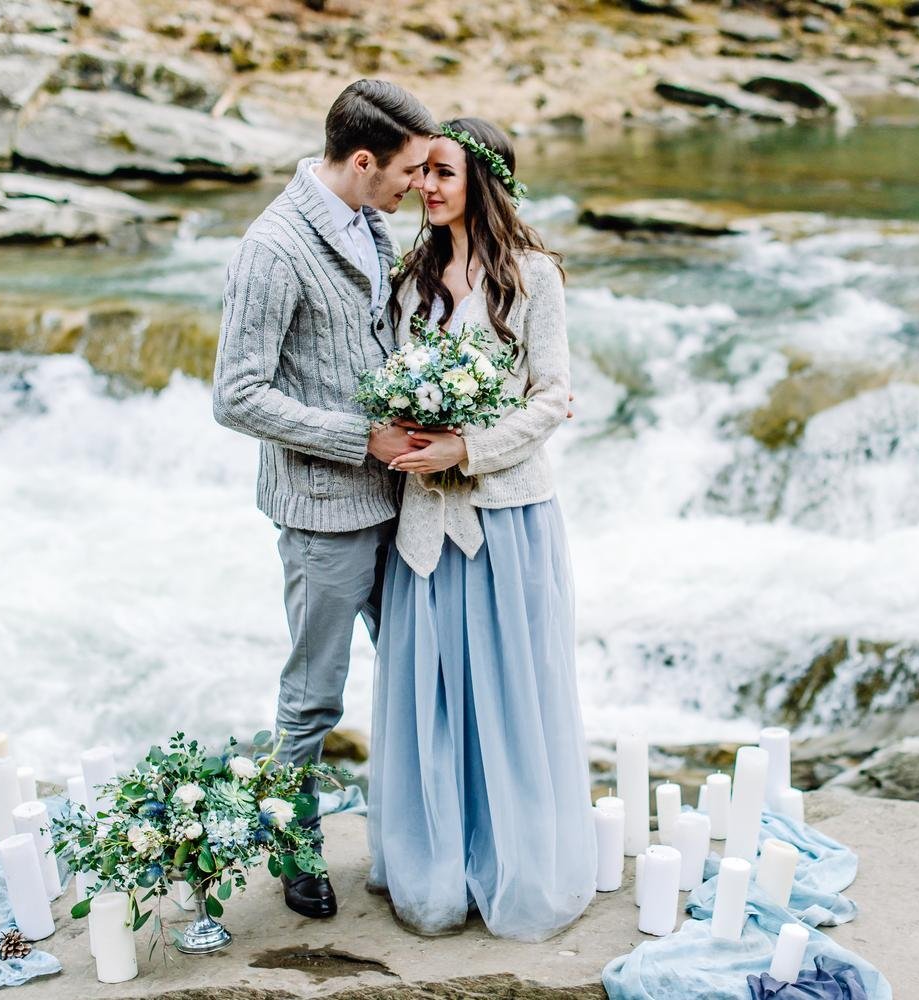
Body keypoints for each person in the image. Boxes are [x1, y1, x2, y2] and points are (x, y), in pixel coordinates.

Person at [366, 117, 596, 941]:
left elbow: (552, 399)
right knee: (432, 692)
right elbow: (387, 382)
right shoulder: (405, 276)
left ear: (484, 182)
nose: (426, 186)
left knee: (508, 692)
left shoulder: (535, 277)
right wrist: (398, 425)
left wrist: (470, 447)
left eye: (443, 174)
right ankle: (436, 868)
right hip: (423, 522)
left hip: (508, 518)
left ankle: (512, 861)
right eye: (421, 172)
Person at [211, 79, 436, 920]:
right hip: (321, 511)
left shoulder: (372, 221)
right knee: (314, 696)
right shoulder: (273, 246)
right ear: (365, 159)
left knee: (420, 674)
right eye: (411, 168)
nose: (420, 183)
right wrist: (362, 438)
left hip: (402, 503)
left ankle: (416, 833)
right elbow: (236, 396)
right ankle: (293, 846)